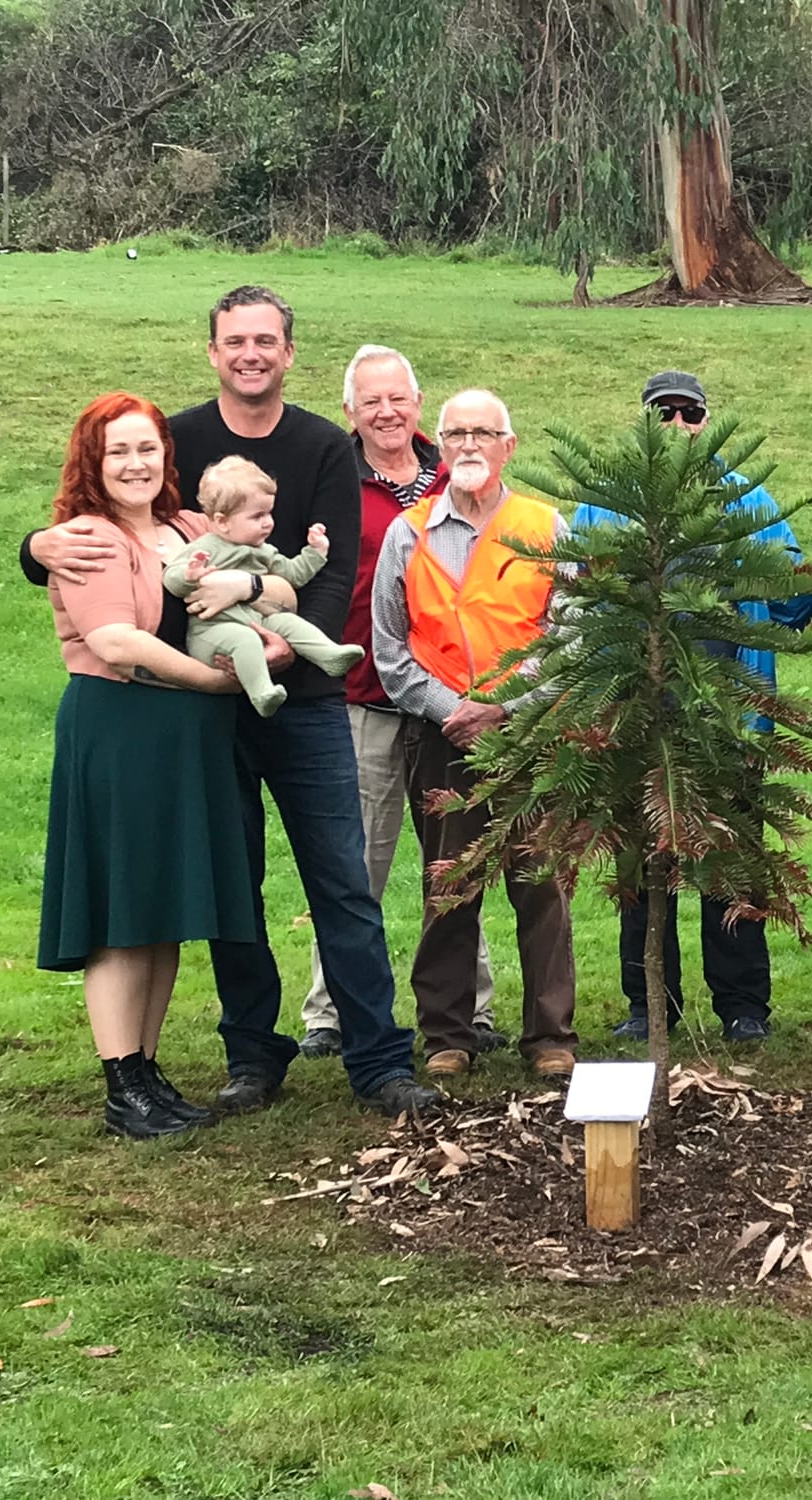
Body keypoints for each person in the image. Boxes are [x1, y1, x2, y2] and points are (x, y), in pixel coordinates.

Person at [23, 286, 439, 1119]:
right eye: (234, 341)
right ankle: (252, 1055)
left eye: (266, 341)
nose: (250, 354)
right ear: (212, 352)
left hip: (310, 701)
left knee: (342, 882)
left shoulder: (326, 444)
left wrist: (277, 632)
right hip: (205, 709)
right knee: (229, 887)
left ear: (289, 354)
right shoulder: (176, 439)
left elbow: (335, 569)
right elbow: (114, 522)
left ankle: (378, 1058)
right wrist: (33, 548)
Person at [36, 393, 257, 1138]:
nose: (135, 464)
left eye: (147, 448)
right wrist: (215, 682)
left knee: (161, 909)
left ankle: (148, 1070)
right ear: (93, 464)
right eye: (117, 452)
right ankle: (119, 1081)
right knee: (121, 915)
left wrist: (258, 591)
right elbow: (116, 642)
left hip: (184, 742)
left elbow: (266, 576)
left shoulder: (190, 528)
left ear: (167, 455)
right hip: (121, 731)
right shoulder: (86, 538)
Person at [572, 370, 812, 1044]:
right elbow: (578, 597)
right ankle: (650, 1004)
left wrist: (761, 561)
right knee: (640, 872)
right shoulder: (606, 503)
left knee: (730, 866)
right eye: (664, 413)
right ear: (645, 421)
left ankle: (743, 1006)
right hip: (639, 719)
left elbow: (798, 608)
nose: (678, 424)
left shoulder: (747, 496)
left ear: (707, 422)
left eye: (691, 413)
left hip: (728, 719)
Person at [297, 346, 501, 1062]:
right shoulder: (333, 478)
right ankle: (331, 1011)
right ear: (349, 411)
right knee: (355, 865)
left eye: (398, 399)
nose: (386, 412)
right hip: (363, 700)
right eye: (370, 401)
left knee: (458, 863)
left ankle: (468, 1008)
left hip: (455, 713)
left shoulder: (455, 472)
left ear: (419, 405)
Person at [371, 388, 579, 1079]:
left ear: (507, 447)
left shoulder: (548, 529)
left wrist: (508, 707)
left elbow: (571, 639)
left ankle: (551, 1036)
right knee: (448, 883)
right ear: (440, 443)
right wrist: (448, 710)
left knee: (541, 883)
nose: (468, 445)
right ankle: (447, 1037)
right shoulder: (411, 532)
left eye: (483, 433)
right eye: (455, 433)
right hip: (441, 736)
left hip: (531, 733)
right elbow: (390, 648)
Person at [166, 456, 363, 716]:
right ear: (222, 521)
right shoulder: (206, 547)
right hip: (213, 631)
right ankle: (261, 692)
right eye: (257, 516)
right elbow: (171, 578)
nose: (268, 522)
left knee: (289, 623)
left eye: (269, 513)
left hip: (255, 620)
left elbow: (293, 574)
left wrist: (315, 552)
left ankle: (329, 655)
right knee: (246, 639)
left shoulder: (263, 550)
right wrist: (190, 575)